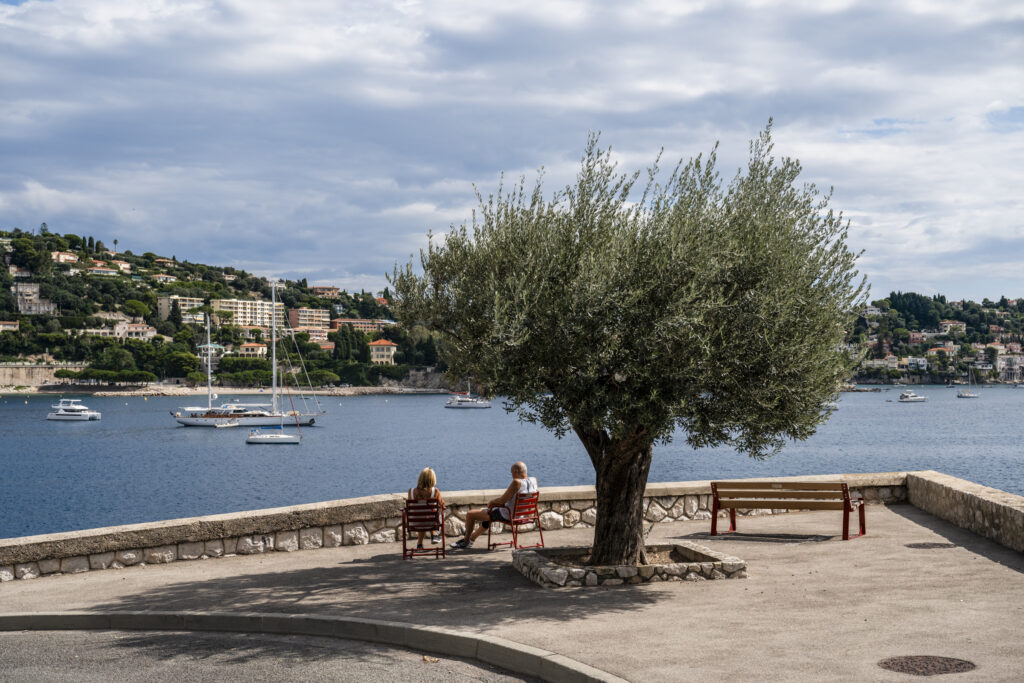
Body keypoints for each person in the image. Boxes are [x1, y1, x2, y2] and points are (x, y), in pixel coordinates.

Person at [451, 461, 538, 549]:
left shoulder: (517, 482)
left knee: (470, 514)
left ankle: (465, 541)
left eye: (511, 473)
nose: (511, 475)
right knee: (487, 514)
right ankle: (471, 538)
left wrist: (491, 502)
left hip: (507, 515)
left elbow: (501, 501)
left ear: (516, 471)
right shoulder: (534, 480)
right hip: (521, 515)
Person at [408, 467, 445, 549]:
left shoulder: (411, 491)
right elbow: (442, 505)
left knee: (422, 516)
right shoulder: (435, 491)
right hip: (431, 522)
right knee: (434, 514)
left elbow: (409, 507)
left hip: (415, 522)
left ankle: (419, 544)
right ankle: (434, 533)